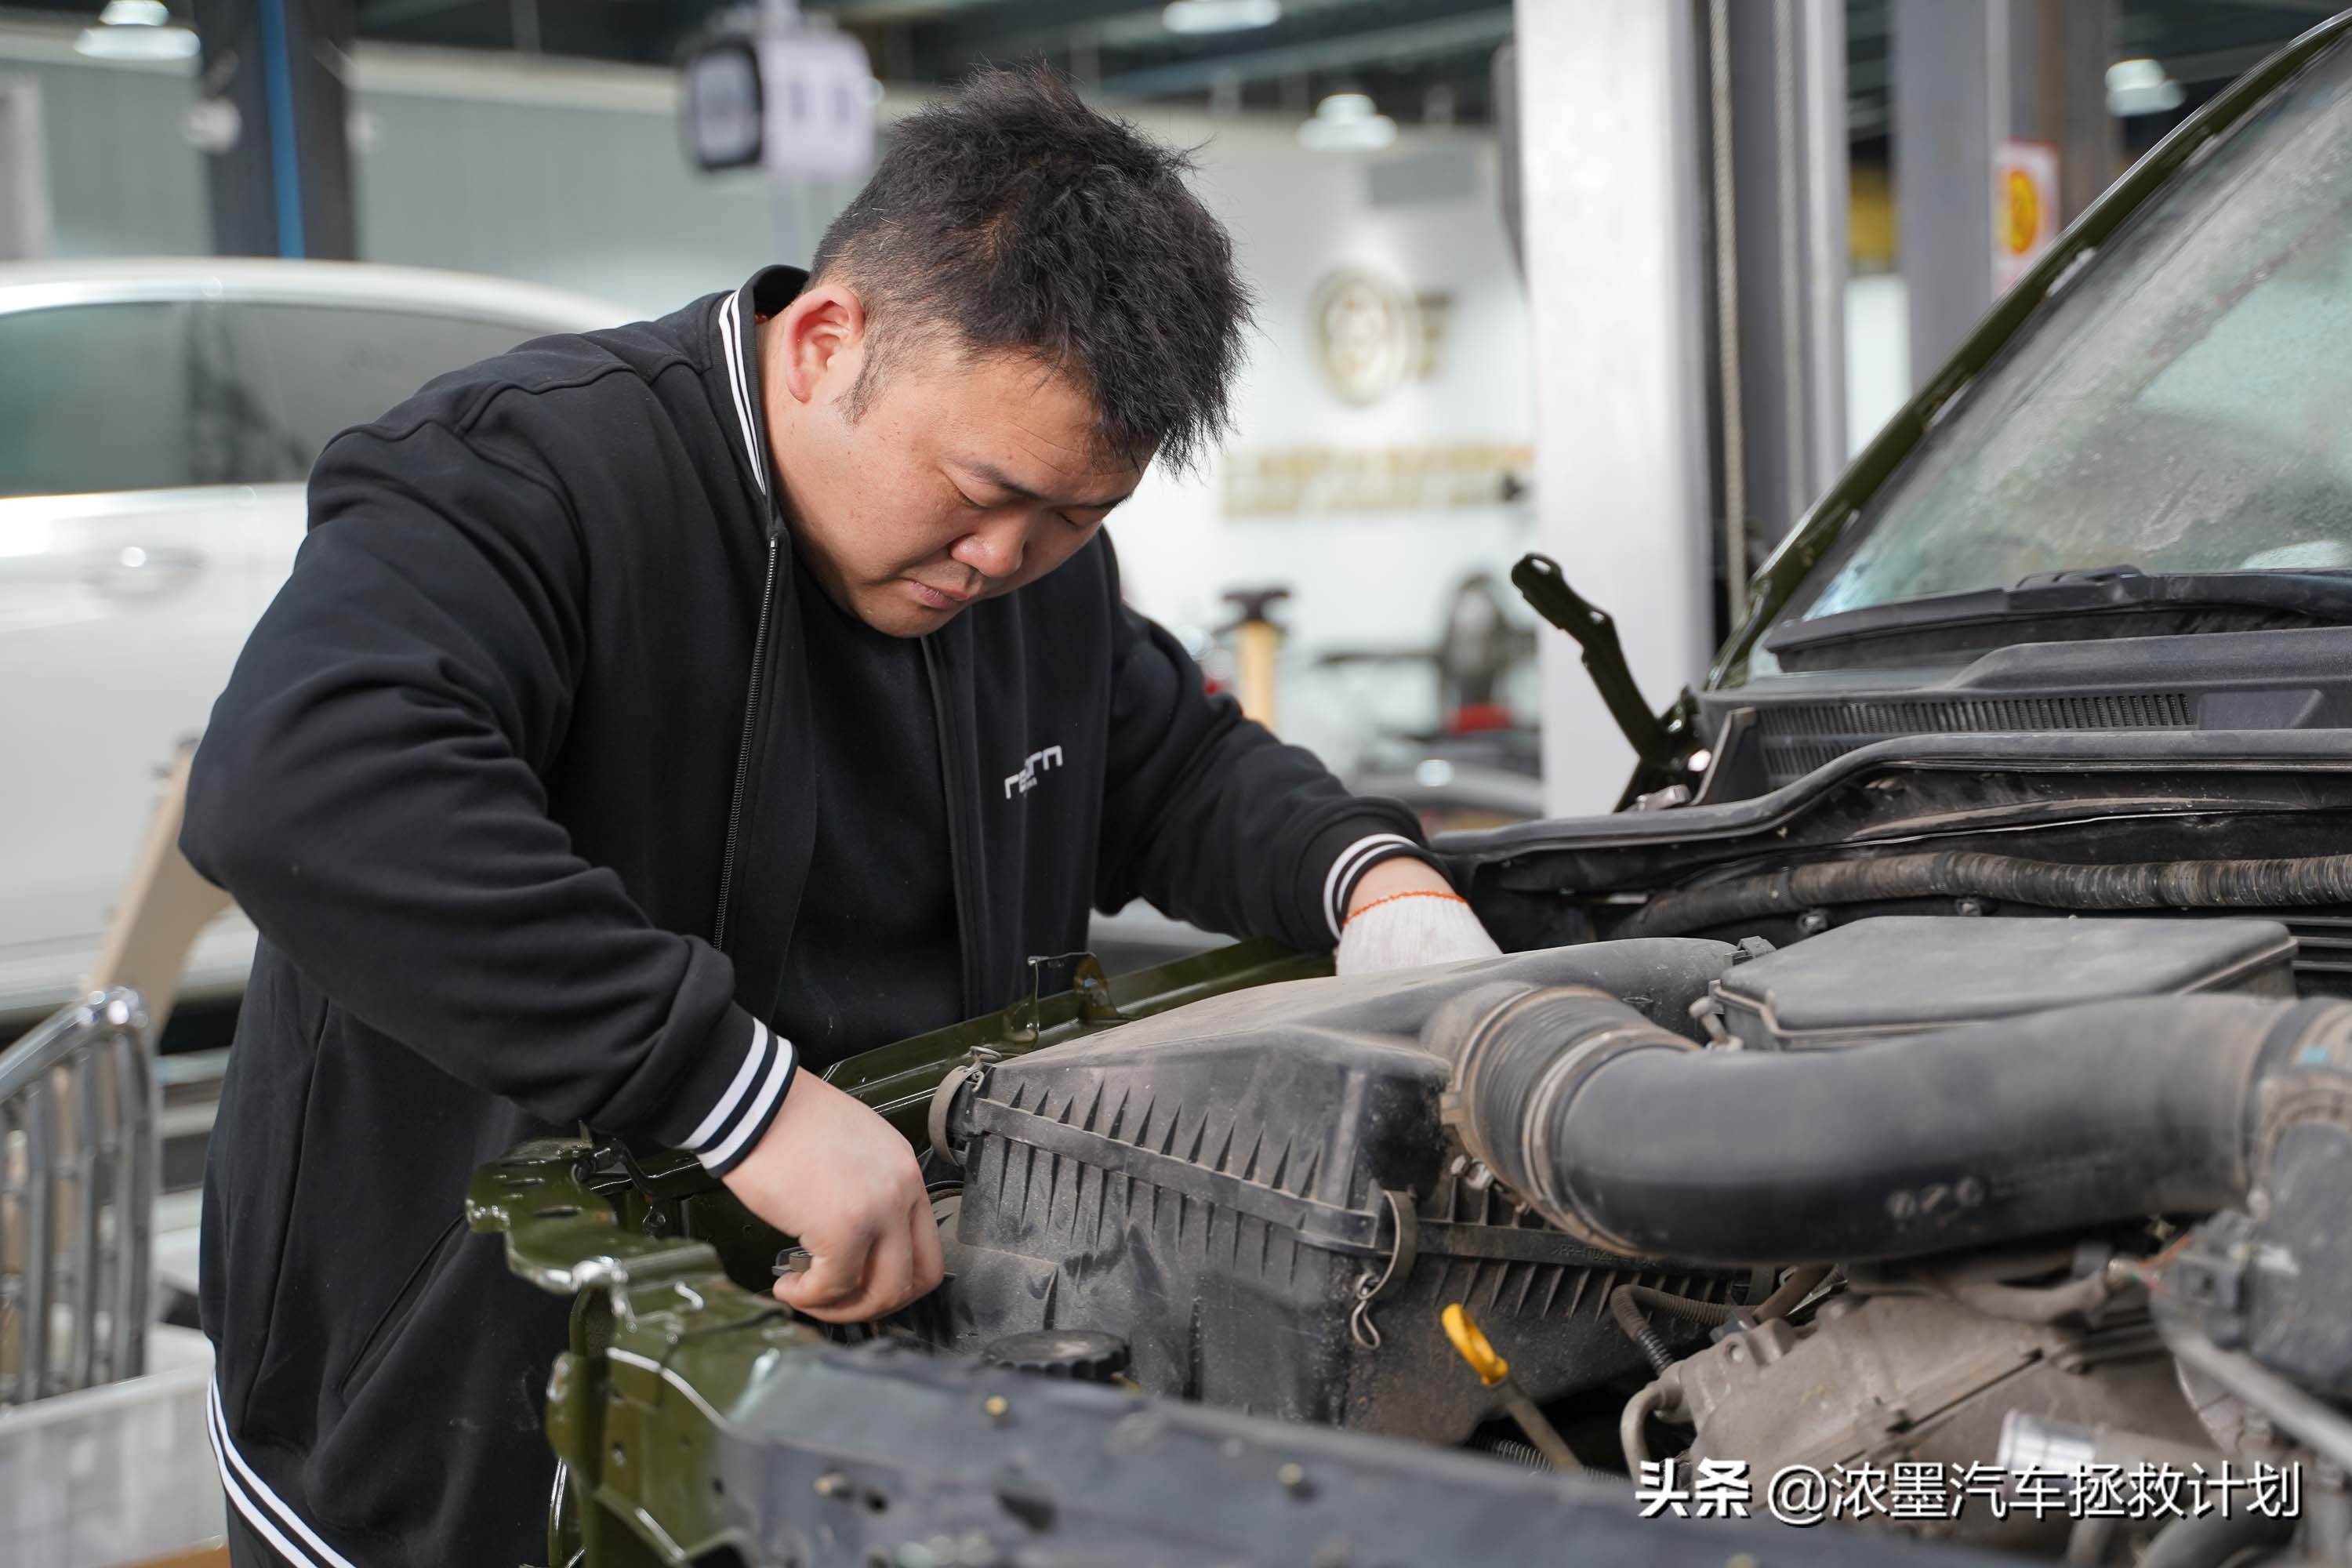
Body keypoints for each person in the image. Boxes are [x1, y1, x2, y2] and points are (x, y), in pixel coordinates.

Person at [181, 65, 1500, 1567]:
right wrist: (731, 1091)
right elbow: (309, 780)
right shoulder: (525, 474)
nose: (1003, 559)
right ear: (825, 341)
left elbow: (1171, 768)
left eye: (1076, 520)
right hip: (464, 1373)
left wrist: (1371, 875)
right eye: (981, 490)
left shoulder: (1033, 579)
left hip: (869, 1346)